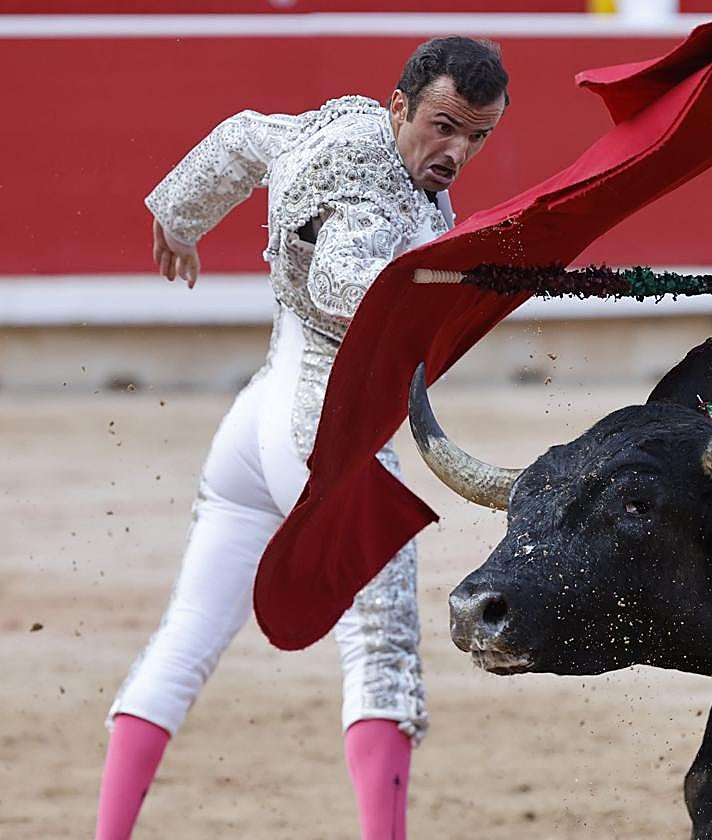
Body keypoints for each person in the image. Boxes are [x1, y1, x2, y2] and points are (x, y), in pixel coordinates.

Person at [94, 36, 508, 840]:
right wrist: (442, 283)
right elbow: (342, 277)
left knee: (185, 639)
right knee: (383, 651)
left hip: (252, 427)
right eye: (444, 126)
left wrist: (178, 217)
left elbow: (248, 133)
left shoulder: (338, 126)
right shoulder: (372, 185)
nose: (456, 151)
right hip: (321, 434)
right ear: (401, 106)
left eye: (476, 137)